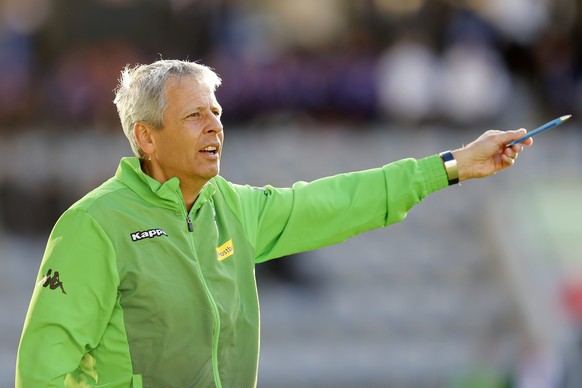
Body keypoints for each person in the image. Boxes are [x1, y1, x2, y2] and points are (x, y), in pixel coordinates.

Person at [16, 59, 532, 387]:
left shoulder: (234, 208)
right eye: (194, 115)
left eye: (216, 111)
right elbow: (42, 369)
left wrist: (450, 166)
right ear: (146, 137)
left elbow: (339, 201)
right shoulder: (93, 225)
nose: (215, 123)